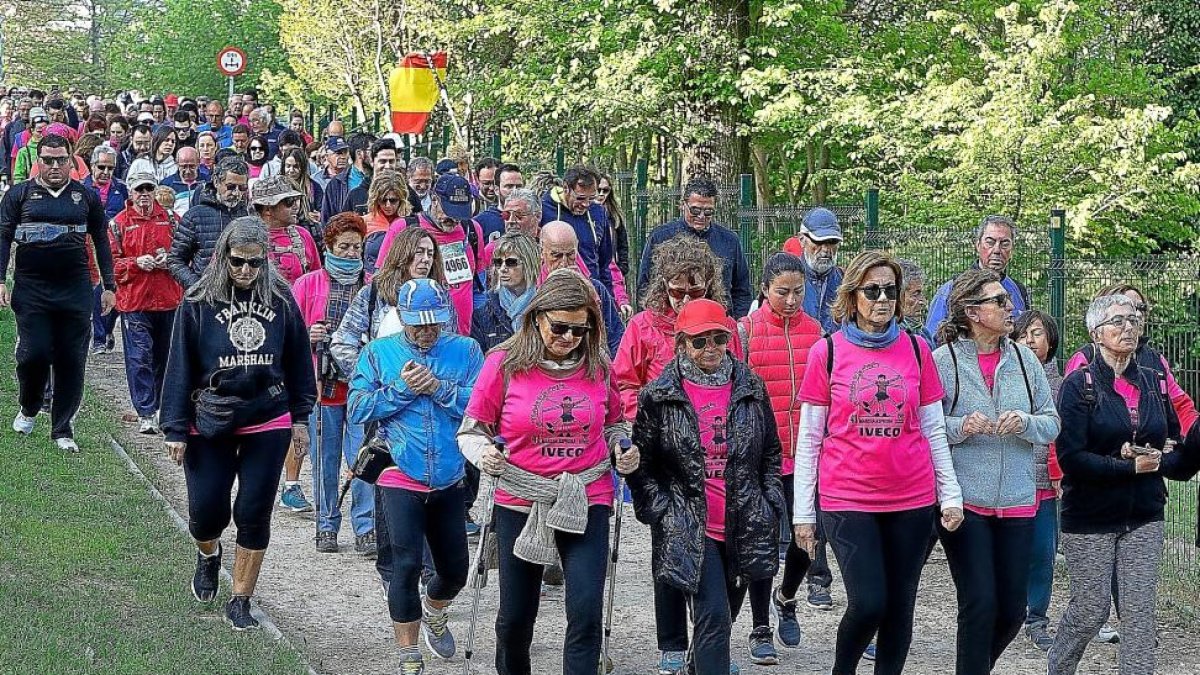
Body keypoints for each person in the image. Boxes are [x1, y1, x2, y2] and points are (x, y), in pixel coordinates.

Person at [458, 270, 639, 675]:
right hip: (521, 497)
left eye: (581, 329)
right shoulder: (503, 363)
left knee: (586, 611)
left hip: (585, 493)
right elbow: (472, 429)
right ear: (537, 317)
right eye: (560, 327)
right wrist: (485, 453)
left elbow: (614, 423)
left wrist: (621, 447)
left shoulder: (597, 364)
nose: (569, 338)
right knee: (516, 618)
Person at [793, 251, 964, 675]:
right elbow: (810, 438)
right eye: (873, 290)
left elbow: (934, 429)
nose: (883, 299)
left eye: (891, 290)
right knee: (870, 603)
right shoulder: (826, 353)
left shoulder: (918, 349)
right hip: (847, 498)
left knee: (901, 604)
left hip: (912, 497)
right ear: (853, 296)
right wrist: (802, 513)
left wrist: (951, 494)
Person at [160, 216, 316, 631]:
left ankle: (241, 598)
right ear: (222, 258)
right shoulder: (196, 302)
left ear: (267, 261)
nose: (246, 270)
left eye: (255, 263)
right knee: (206, 513)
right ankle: (208, 554)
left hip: (268, 416)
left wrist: (300, 418)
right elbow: (178, 367)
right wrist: (175, 428)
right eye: (238, 262)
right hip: (209, 420)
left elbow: (300, 361)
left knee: (253, 511)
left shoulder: (282, 301)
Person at [627, 297, 783, 675]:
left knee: (723, 616)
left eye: (718, 338)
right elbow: (642, 464)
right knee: (712, 612)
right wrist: (662, 510)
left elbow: (771, 452)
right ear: (681, 344)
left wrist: (770, 499)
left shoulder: (750, 385)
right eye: (699, 341)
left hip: (743, 518)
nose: (710, 348)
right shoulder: (660, 395)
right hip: (689, 520)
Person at [1049, 294, 1200, 675]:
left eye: (1134, 320)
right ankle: (1059, 667)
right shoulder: (1078, 384)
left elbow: (1176, 456)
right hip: (1090, 516)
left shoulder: (1154, 382)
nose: (1128, 327)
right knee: (1091, 609)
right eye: (1117, 321)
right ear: (1095, 333)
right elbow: (1071, 459)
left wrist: (1164, 461)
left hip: (1145, 513)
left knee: (1139, 614)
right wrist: (1128, 467)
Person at [349, 278, 484, 673]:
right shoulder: (378, 353)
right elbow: (358, 408)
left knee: (455, 570)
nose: (426, 332)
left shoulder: (466, 350)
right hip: (398, 469)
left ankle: (435, 610)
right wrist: (402, 389)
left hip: (449, 475)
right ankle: (409, 653)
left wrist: (440, 387)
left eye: (434, 324)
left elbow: (481, 406)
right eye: (417, 325)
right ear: (402, 320)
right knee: (406, 563)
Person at [931, 269, 1061, 675]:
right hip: (965, 502)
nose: (1011, 309)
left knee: (1011, 610)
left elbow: (1051, 422)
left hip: (1019, 501)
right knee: (979, 602)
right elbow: (929, 428)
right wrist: (961, 426)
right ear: (973, 312)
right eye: (1000, 302)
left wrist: (1024, 422)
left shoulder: (1024, 360)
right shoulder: (944, 361)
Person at [1, 134, 116, 452]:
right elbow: (3, 237)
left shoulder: (86, 197)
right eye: (48, 160)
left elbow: (102, 241)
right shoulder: (19, 195)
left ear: (71, 161)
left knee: (70, 359)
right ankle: (29, 406)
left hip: (74, 288)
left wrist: (109, 286)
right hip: (32, 287)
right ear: (39, 161)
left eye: (60, 160)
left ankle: (62, 428)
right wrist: (0, 280)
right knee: (33, 354)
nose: (54, 166)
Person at [735, 252, 824, 663]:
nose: (791, 300)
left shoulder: (817, 332)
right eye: (782, 292)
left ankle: (786, 597)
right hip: (760, 455)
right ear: (765, 290)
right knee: (762, 542)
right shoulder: (746, 332)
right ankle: (759, 626)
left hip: (806, 453)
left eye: (798, 292)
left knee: (809, 536)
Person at [292, 212, 376, 554]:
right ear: (329, 246)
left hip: (360, 387)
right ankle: (326, 524)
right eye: (344, 246)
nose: (351, 253)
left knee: (362, 458)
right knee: (324, 460)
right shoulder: (307, 284)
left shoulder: (371, 286)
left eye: (356, 247)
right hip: (322, 387)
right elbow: (288, 333)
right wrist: (307, 335)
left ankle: (365, 527)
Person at [108, 171, 183, 434]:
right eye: (139, 189)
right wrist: (136, 262)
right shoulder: (118, 224)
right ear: (130, 192)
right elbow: (111, 265)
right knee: (139, 357)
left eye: (148, 189)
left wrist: (168, 259)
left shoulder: (172, 221)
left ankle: (162, 407)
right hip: (135, 302)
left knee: (166, 357)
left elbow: (186, 253)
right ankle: (145, 411)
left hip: (168, 299)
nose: (144, 195)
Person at [1011, 308, 1065, 651]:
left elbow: (1064, 433)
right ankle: (1010, 611)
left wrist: (1059, 473)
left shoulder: (1062, 384)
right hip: (1012, 481)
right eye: (1023, 334)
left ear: (1051, 340)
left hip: (1046, 481)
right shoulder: (1005, 377)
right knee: (1011, 551)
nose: (1030, 341)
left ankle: (1037, 617)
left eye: (1037, 334)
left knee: (1044, 551)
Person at [377, 173, 483, 335]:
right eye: (450, 211)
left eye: (460, 213)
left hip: (461, 340)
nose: (454, 219)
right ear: (434, 200)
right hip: (413, 337)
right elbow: (381, 281)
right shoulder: (404, 228)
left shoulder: (473, 230)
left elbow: (479, 288)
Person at [636, 176, 751, 318]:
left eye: (708, 211)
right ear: (682, 205)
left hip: (716, 324)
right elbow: (645, 285)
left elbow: (741, 290)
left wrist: (738, 323)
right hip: (669, 323)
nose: (701, 216)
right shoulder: (660, 237)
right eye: (695, 210)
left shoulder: (730, 240)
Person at [925, 215, 1031, 339]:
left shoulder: (1018, 291)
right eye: (990, 242)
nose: (997, 250)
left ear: (1012, 248)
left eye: (1004, 243)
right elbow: (932, 339)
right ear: (978, 245)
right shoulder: (953, 289)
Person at [538, 221, 624, 355]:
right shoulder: (532, 290)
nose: (564, 263)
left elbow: (616, 339)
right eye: (556, 255)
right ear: (541, 252)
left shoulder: (596, 290)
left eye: (571, 255)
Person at [167, 156, 251, 288]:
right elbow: (175, 260)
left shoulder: (249, 215)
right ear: (217, 182)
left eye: (242, 188)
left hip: (241, 295)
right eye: (230, 186)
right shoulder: (195, 216)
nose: (236, 193)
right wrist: (197, 286)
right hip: (206, 295)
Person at [540, 165, 615, 292]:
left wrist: (609, 299)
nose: (585, 204)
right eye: (580, 198)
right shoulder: (543, 210)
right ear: (566, 188)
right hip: (552, 292)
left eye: (591, 198)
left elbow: (605, 264)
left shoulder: (599, 212)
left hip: (590, 292)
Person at [470, 233, 540, 351]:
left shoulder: (545, 307)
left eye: (511, 262)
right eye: (498, 262)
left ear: (529, 264)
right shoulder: (482, 313)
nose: (502, 268)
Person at [363, 170, 415, 274]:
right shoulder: (364, 221)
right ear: (376, 199)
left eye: (393, 200)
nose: (388, 205)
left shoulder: (410, 222)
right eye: (383, 200)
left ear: (401, 199)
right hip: (371, 280)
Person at [161, 146, 208, 216]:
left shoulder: (208, 181)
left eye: (192, 166)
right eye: (184, 167)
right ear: (177, 164)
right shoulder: (166, 184)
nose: (188, 171)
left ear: (198, 163)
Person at [896, 259, 933, 347]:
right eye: (915, 294)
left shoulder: (924, 333)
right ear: (897, 295)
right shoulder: (891, 338)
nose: (923, 302)